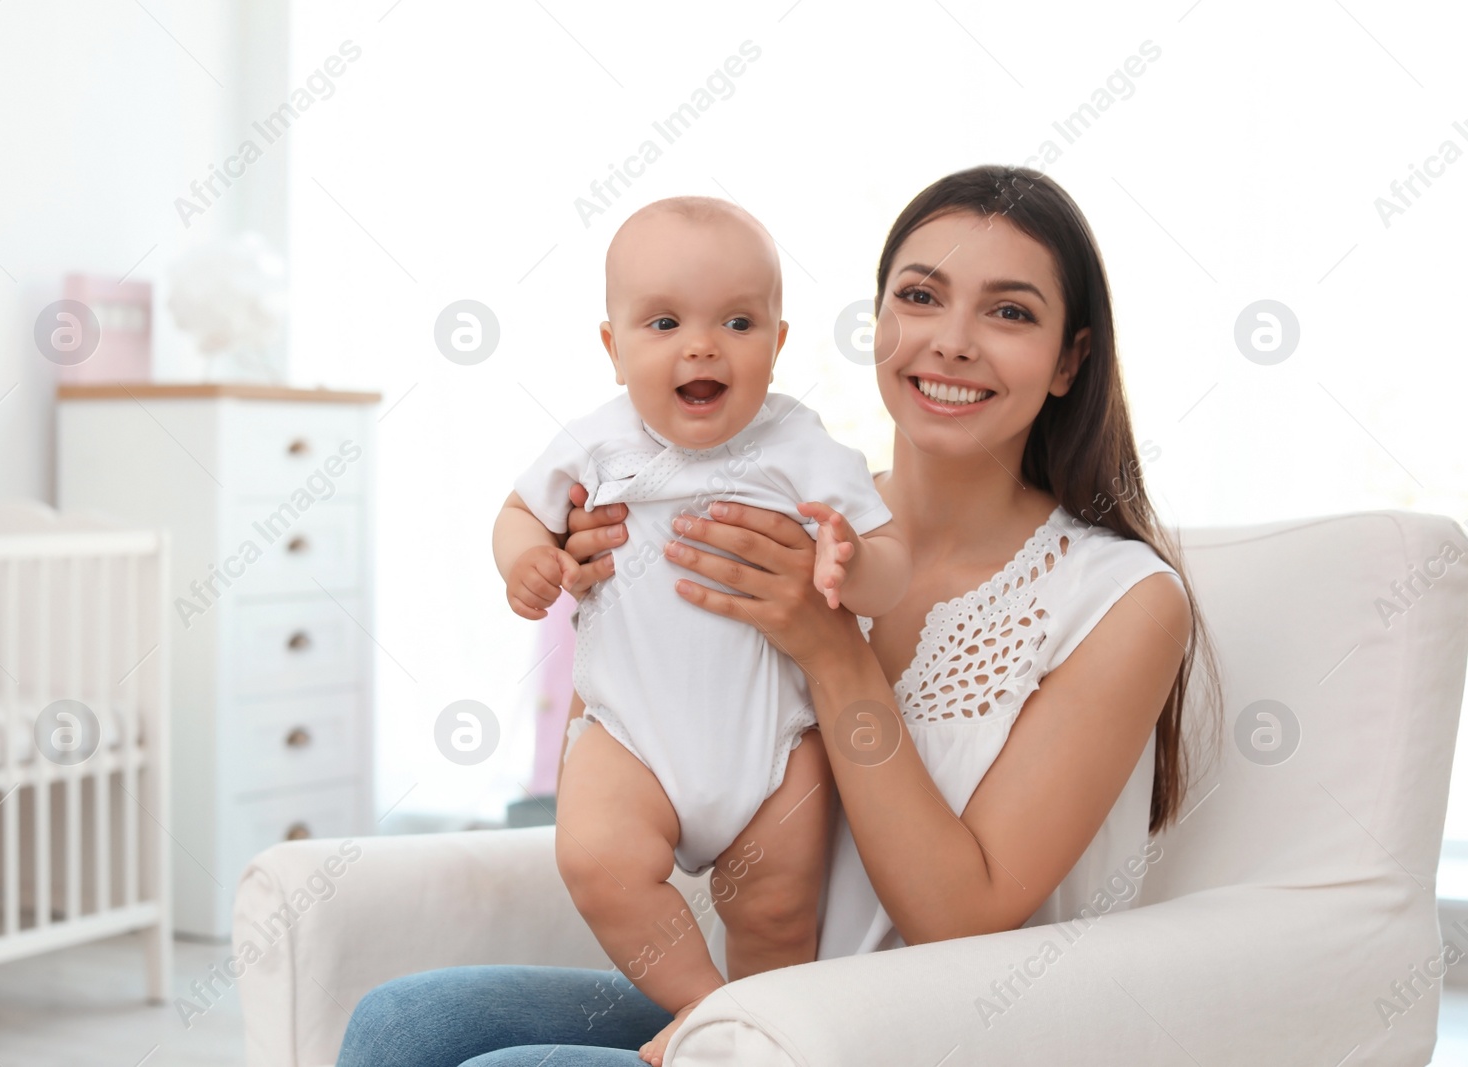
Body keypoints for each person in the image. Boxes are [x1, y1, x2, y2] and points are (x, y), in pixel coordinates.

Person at [335, 164, 1221, 1067]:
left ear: (1070, 359)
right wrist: (594, 588)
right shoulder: (760, 510)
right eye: (920, 296)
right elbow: (643, 738)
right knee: (401, 1026)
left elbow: (963, 919)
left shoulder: (1121, 599)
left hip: (907, 1033)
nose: (952, 341)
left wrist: (830, 646)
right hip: (756, 1000)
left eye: (1010, 311)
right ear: (878, 323)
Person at [492, 195, 911, 1063]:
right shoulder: (598, 445)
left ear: (779, 342)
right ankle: (708, 1005)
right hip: (630, 735)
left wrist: (849, 560)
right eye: (663, 322)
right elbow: (515, 511)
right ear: (613, 349)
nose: (702, 344)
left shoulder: (796, 440)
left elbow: (887, 552)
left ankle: (762, 1034)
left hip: (769, 739)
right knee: (597, 859)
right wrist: (525, 556)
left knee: (777, 906)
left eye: (737, 321)